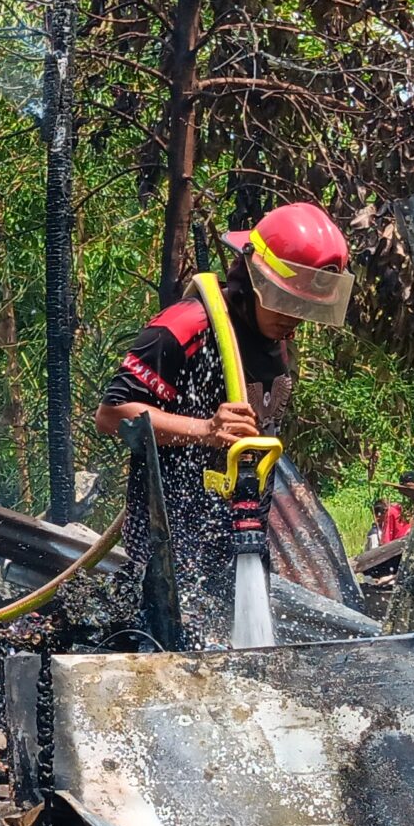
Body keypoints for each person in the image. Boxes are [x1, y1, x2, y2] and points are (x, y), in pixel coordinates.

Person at [93, 202, 353, 645]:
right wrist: (205, 430)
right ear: (254, 277)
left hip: (236, 531)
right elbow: (110, 415)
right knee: (168, 653)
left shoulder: (277, 339)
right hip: (172, 540)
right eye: (284, 300)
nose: (292, 318)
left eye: (302, 307)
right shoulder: (188, 325)